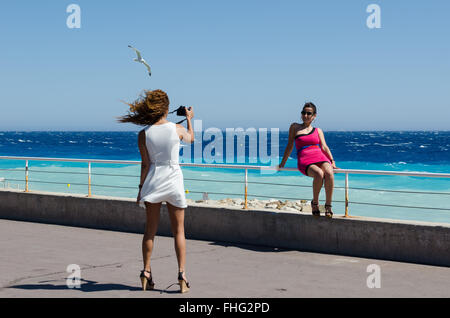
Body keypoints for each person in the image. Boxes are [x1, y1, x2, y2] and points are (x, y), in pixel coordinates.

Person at [118, 89, 194, 292]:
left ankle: (146, 272)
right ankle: (182, 275)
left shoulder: (143, 134)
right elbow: (191, 139)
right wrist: (189, 119)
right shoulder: (176, 128)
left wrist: (140, 189)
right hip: (174, 181)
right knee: (179, 231)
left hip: (153, 181)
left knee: (149, 231)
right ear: (167, 108)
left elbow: (145, 164)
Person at [278, 102, 337, 218]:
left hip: (320, 156)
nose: (305, 115)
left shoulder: (318, 130)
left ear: (314, 116)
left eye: (309, 113)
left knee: (329, 173)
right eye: (303, 112)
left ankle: (328, 205)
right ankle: (315, 203)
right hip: (305, 159)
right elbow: (290, 146)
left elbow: (324, 147)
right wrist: (282, 164)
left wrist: (332, 160)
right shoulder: (294, 127)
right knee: (319, 174)